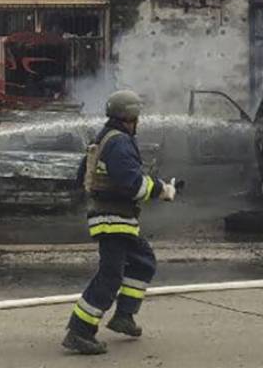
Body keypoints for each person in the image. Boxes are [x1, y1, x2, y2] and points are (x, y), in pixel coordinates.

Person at [62, 90, 179, 355]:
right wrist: (163, 190)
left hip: (116, 217)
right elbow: (134, 185)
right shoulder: (119, 143)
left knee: (143, 261)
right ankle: (79, 331)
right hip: (113, 219)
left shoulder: (105, 137)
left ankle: (124, 316)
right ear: (131, 116)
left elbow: (84, 174)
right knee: (111, 275)